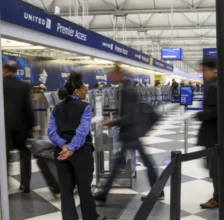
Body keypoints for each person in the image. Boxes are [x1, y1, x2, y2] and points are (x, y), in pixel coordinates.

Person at [93, 65, 163, 204]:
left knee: (119, 164)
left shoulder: (127, 90)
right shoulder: (127, 88)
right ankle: (158, 190)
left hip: (131, 133)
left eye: (111, 74)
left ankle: (103, 193)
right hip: (133, 132)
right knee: (135, 162)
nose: (109, 77)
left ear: (118, 74)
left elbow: (131, 116)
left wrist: (113, 122)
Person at [47, 72, 106, 220]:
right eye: (85, 89)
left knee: (66, 191)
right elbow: (82, 130)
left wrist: (64, 145)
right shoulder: (84, 107)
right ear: (77, 91)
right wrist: (72, 148)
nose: (86, 91)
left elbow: (51, 132)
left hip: (60, 153)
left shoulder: (56, 108)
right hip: (81, 152)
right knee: (84, 189)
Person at [3, 61, 39, 193]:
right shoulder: (24, 86)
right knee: (25, 156)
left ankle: (4, 182)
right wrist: (33, 124)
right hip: (22, 128)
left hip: (4, 129)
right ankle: (25, 185)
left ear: (5, 69)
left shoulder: (1, 85)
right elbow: (28, 107)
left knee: (4, 156)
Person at [195, 57, 219, 209]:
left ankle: (218, 198)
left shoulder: (215, 86)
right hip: (214, 133)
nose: (203, 73)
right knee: (215, 167)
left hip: (214, 134)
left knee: (215, 168)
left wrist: (200, 115)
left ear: (211, 69)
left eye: (204, 70)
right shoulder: (214, 85)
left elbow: (216, 110)